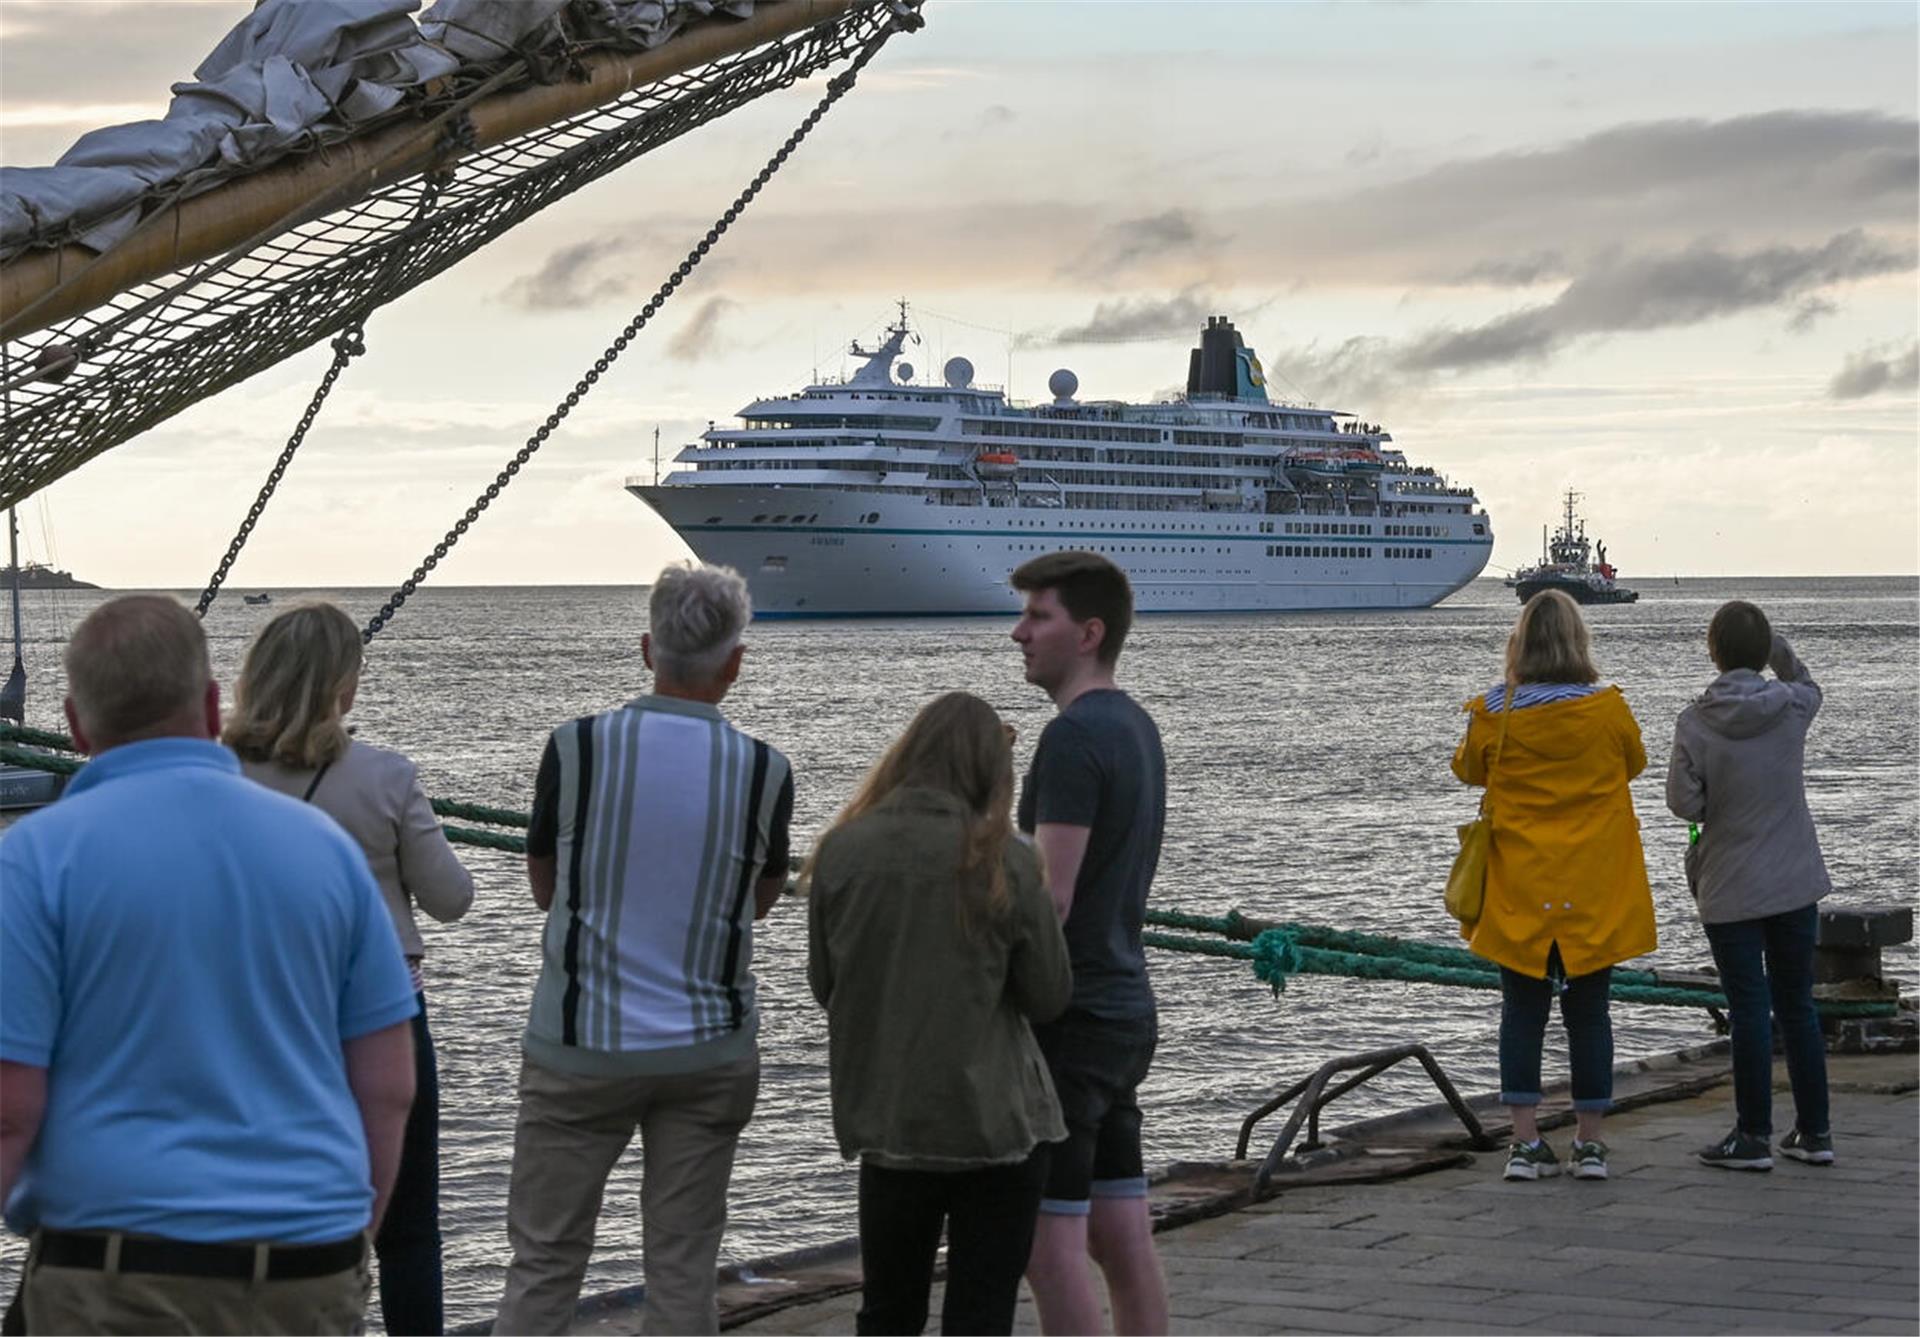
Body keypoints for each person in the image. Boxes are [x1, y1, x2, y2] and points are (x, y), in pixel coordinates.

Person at [0, 595, 417, 1334]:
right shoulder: (326, 852)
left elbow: (10, 1108)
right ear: (212, 701)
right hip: (306, 1266)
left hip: (114, 1270)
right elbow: (387, 1088)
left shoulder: (32, 860)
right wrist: (350, 1242)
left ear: (73, 722)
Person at [495, 562, 794, 1336]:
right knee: (684, 1266)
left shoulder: (576, 748)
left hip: (579, 1046)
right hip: (708, 1049)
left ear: (645, 649)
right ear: (736, 662)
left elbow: (543, 887)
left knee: (545, 1259)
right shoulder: (766, 770)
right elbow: (758, 901)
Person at [225, 601, 475, 1334]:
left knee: (265, 1215)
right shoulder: (384, 777)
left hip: (257, 1019)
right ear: (341, 684)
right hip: (382, 1023)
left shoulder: (220, 774)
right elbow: (452, 898)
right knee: (405, 1228)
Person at [806, 692, 1071, 1336]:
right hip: (994, 1126)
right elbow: (1049, 995)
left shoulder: (841, 850)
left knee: (889, 1311)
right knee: (980, 1313)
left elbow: (825, 984)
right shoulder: (1004, 860)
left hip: (890, 1120)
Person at [1009, 551, 1170, 1337]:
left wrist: (991, 988)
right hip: (1125, 1005)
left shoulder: (1072, 738)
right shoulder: (1137, 726)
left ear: (1090, 631)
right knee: (1120, 1233)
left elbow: (1051, 896)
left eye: (1039, 617)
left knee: (1048, 1243)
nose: (1019, 634)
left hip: (1070, 1018)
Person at [1452, 588, 1656, 1183]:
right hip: (1593, 884)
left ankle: (1524, 1143)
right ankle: (1589, 1144)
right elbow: (1634, 763)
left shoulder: (1496, 711)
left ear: (1520, 643)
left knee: (1522, 1014)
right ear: (1578, 641)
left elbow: (1467, 769)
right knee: (1590, 1015)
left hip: (1521, 885)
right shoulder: (1607, 708)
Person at [1666, 601, 1833, 1171]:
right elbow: (1807, 681)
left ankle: (1753, 1136)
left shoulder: (1694, 721)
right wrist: (1778, 648)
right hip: (1793, 878)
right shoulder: (1790, 707)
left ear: (1712, 651)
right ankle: (1815, 1133)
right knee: (1798, 1007)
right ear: (1762, 653)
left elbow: (1682, 804)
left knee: (1748, 1007)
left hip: (1730, 883)